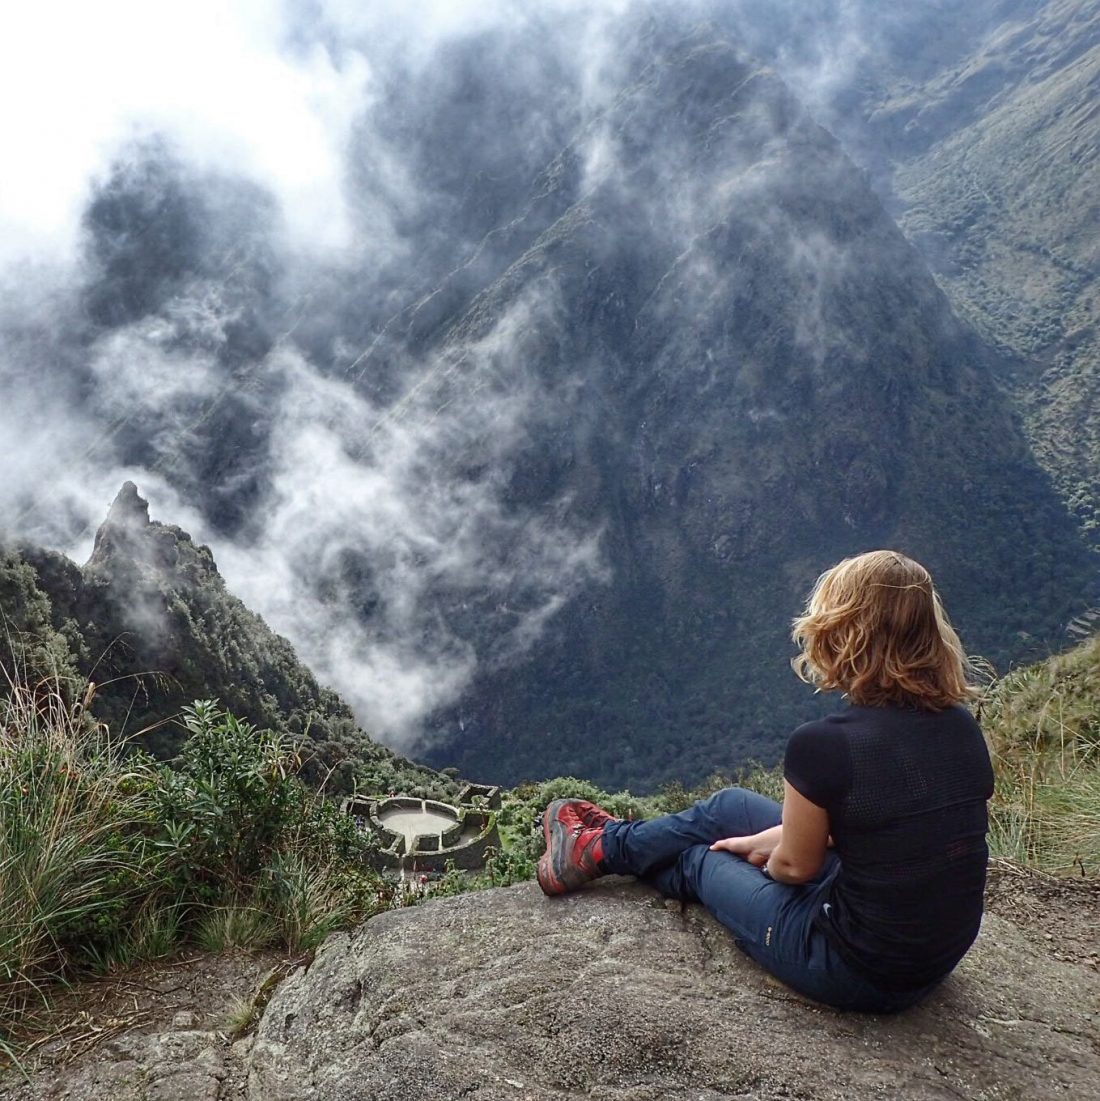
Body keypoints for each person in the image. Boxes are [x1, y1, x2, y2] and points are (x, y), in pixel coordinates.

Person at [537, 550, 994, 1013]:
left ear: (841, 632)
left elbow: (796, 869)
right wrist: (772, 837)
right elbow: (890, 824)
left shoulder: (825, 745)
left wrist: (768, 859)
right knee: (728, 807)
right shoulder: (960, 726)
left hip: (857, 968)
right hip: (934, 955)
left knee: (698, 858)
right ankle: (607, 845)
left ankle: (601, 852)